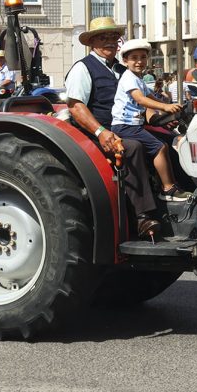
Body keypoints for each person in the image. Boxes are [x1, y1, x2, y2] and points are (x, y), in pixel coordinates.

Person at [64, 17, 163, 238]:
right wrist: (100, 132)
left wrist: (159, 116)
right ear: (92, 42)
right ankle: (143, 217)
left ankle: (172, 195)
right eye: (103, 37)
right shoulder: (82, 68)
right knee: (133, 148)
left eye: (113, 37)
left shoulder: (122, 69)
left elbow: (140, 100)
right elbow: (76, 107)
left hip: (127, 127)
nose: (109, 41)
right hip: (96, 134)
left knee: (167, 142)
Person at [111, 39, 189, 214]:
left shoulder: (139, 79)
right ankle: (168, 189)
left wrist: (170, 106)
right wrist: (165, 107)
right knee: (159, 147)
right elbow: (140, 99)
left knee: (170, 142)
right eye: (134, 58)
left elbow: (152, 97)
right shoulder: (128, 78)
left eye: (143, 57)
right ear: (125, 61)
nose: (139, 61)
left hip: (133, 125)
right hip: (124, 126)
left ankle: (177, 184)